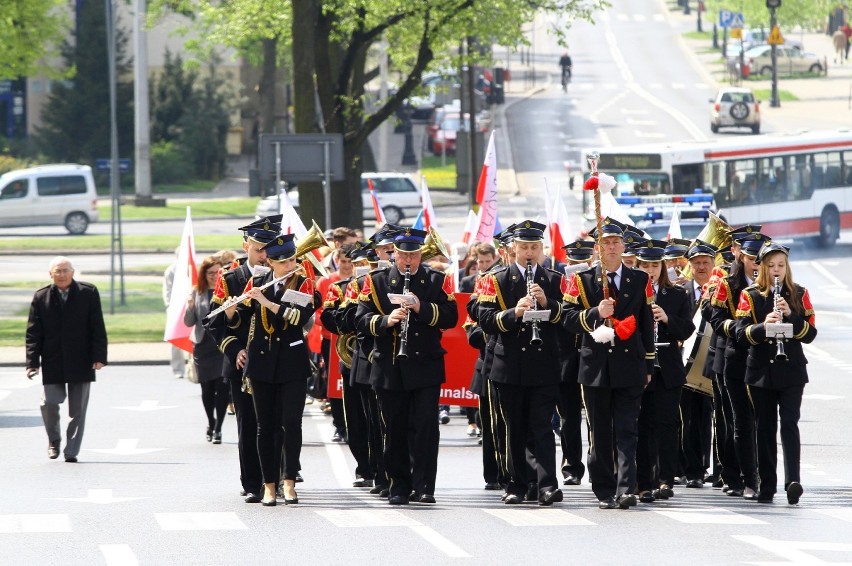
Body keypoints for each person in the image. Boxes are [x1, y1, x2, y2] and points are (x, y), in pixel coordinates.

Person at [355, 227, 459, 505]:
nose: (409, 261)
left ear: (420, 255)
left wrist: (420, 308)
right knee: (395, 427)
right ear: (395, 255)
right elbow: (360, 320)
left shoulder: (438, 279)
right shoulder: (375, 281)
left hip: (425, 364)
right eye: (403, 255)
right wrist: (386, 321)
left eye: (414, 255)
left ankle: (425, 485)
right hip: (389, 365)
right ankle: (398, 485)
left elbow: (450, 317)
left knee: (426, 427)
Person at [562, 217, 655, 510]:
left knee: (627, 429)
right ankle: (603, 487)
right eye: (606, 243)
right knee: (599, 431)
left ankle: (626, 487)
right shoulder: (582, 280)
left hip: (630, 364)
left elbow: (646, 323)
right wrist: (594, 313)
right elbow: (567, 319)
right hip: (596, 366)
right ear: (597, 249)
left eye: (616, 242)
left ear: (623, 246)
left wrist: (649, 365)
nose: (611, 247)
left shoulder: (640, 279)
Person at [477, 220, 567, 506]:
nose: (529, 253)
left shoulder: (554, 278)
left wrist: (549, 304)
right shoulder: (497, 279)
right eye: (524, 247)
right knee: (513, 427)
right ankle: (516, 483)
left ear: (542, 249)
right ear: (513, 248)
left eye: (535, 247)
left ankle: (546, 485)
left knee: (542, 427)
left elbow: (568, 318)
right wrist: (514, 312)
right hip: (509, 365)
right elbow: (485, 319)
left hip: (544, 365)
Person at [238, 233, 320, 506]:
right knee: (265, 427)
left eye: (292, 260)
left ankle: (289, 482)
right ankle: (268, 484)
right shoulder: (258, 282)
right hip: (261, 363)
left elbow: (296, 318)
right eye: (283, 262)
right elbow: (241, 319)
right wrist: (231, 309)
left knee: (291, 424)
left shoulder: (304, 284)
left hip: (292, 362)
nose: (289, 265)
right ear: (270, 263)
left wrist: (266, 302)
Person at [206, 215, 280, 504]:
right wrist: (235, 349)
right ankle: (252, 482)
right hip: (242, 360)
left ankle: (277, 478)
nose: (264, 255)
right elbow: (213, 322)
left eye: (268, 249)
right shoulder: (230, 277)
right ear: (246, 245)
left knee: (277, 423)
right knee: (248, 423)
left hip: (275, 359)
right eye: (259, 248)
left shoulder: (283, 274)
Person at [735, 241, 816, 504]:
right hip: (760, 371)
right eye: (771, 266)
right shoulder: (750, 295)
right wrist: (764, 326)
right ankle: (766, 485)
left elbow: (810, 334)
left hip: (791, 369)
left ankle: (793, 480)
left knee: (790, 423)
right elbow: (741, 332)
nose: (776, 270)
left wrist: (790, 315)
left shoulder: (799, 294)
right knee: (765, 427)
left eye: (781, 265)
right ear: (762, 268)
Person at [26, 256, 108, 462]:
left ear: (73, 272)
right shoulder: (41, 296)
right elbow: (33, 333)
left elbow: (97, 325)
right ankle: (54, 440)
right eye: (57, 271)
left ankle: (71, 450)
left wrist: (99, 356)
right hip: (53, 359)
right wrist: (32, 363)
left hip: (81, 359)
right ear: (50, 274)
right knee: (49, 403)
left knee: (78, 410)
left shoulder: (88, 293)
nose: (62, 275)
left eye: (65, 270)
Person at [707, 231, 767, 500]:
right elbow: (716, 318)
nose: (756, 264)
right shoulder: (726, 283)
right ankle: (737, 475)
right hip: (734, 355)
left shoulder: (771, 284)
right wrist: (740, 329)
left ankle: (761, 475)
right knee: (732, 420)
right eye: (752, 258)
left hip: (763, 359)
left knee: (760, 421)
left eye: (760, 259)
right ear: (740, 256)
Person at [633, 240, 695, 503]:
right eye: (644, 265)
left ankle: (665, 480)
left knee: (667, 425)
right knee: (643, 426)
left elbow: (688, 329)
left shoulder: (677, 295)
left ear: (662, 267)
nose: (649, 270)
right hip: (639, 368)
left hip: (667, 368)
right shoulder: (631, 292)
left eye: (654, 265)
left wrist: (667, 319)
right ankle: (643, 482)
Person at [556, 239, 596, 487]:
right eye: (574, 262)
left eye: (584, 262)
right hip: (566, 357)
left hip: (593, 356)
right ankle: (572, 466)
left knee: (596, 416)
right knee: (568, 417)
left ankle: (597, 463)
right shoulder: (558, 283)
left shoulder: (595, 282)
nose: (579, 266)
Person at [184, 255, 229, 444]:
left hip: (223, 345)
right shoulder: (197, 291)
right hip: (203, 346)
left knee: (222, 387)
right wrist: (189, 307)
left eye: (217, 272)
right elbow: (188, 322)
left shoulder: (227, 289)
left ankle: (219, 428)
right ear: (204, 274)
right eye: (210, 273)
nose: (214, 276)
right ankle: (211, 422)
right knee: (207, 388)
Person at [163, 247, 186, 379]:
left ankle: (192, 367)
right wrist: (170, 307)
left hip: (190, 307)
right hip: (176, 309)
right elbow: (168, 291)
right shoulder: (171, 270)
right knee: (176, 340)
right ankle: (178, 368)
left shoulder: (192, 268)